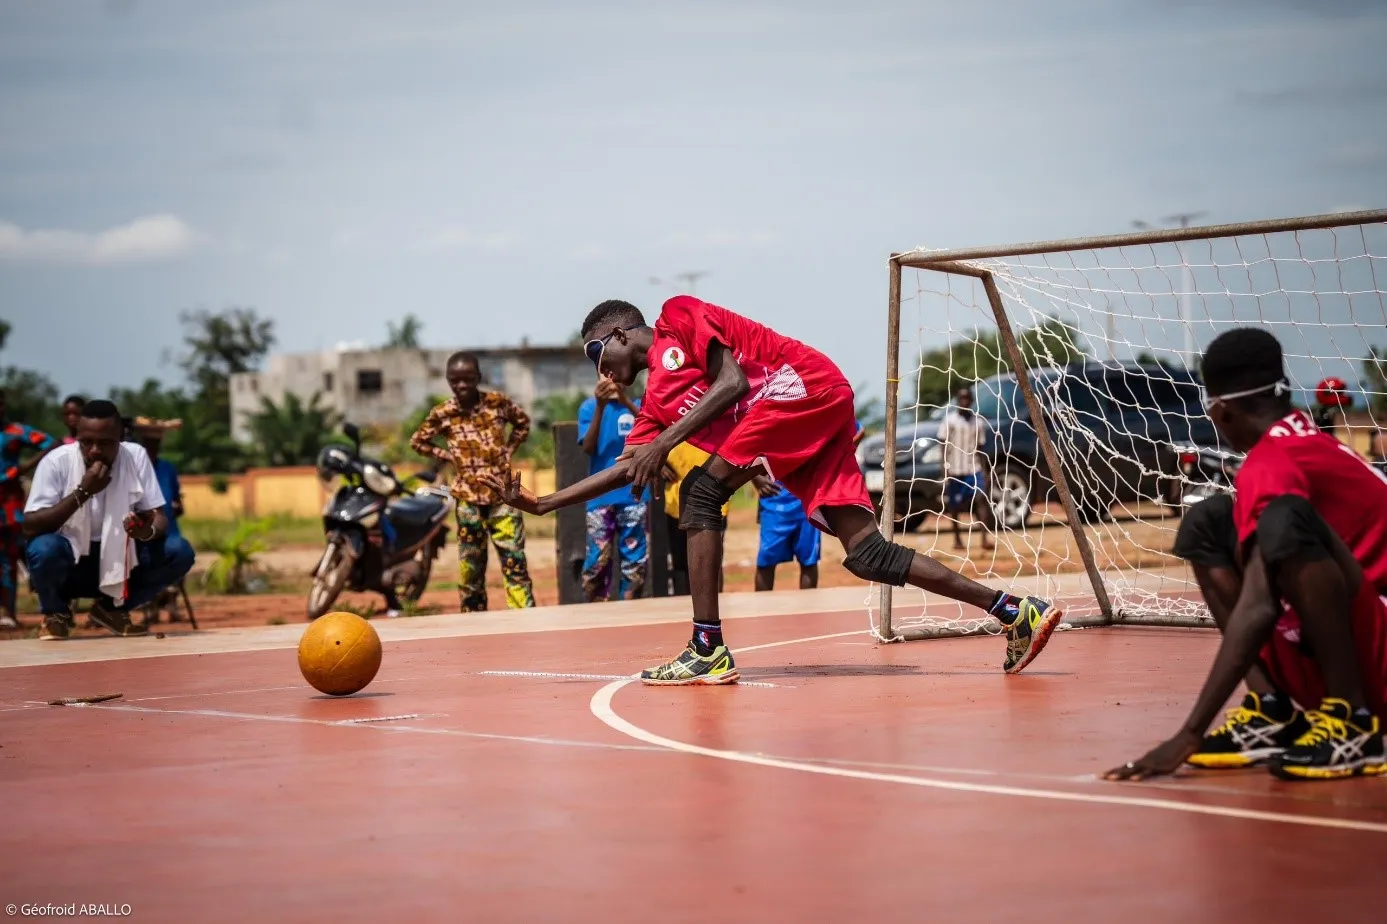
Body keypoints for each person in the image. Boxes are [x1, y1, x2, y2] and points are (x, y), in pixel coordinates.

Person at [484, 296, 1063, 684]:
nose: (599, 370)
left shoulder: (676, 316)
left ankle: (707, 648)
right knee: (867, 554)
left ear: (616, 334)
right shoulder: (656, 402)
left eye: (595, 354)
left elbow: (733, 382)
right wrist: (543, 503)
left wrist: (668, 445)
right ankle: (1015, 612)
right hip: (806, 421)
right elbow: (629, 463)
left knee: (701, 496)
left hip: (801, 386)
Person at [1108, 328, 1387, 782]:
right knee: (1210, 521)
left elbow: (1259, 606)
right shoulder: (1306, 438)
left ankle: (1352, 721)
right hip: (1369, 628)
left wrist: (1189, 733)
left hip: (1379, 656)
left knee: (1282, 519)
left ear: (1220, 409)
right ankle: (1272, 708)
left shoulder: (1271, 462)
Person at [23, 400, 196, 640]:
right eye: (86, 442)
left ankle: (111, 609)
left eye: (104, 443)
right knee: (44, 549)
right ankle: (56, 614)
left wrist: (145, 532)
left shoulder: (135, 456)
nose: (94, 450)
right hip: (71, 563)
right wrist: (83, 492)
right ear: (78, 437)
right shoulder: (56, 461)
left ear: (121, 438)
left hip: (122, 563)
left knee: (179, 551)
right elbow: (30, 526)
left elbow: (159, 517)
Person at [411, 352, 535, 613]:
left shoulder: (497, 403)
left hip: (503, 498)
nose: (462, 385)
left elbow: (522, 424)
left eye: (468, 379)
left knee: (514, 562)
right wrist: (446, 455)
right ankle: (473, 621)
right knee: (471, 569)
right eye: (455, 380)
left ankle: (524, 618)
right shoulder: (444, 412)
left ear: (478, 377)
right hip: (468, 500)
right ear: (448, 380)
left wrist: (509, 449)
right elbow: (418, 441)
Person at [577, 378, 647, 601]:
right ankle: (597, 611)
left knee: (635, 564)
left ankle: (630, 611)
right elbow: (589, 447)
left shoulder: (640, 405)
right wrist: (600, 406)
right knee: (597, 562)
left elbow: (652, 432)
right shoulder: (589, 407)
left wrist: (626, 402)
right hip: (600, 497)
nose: (612, 379)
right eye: (606, 373)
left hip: (634, 496)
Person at [0, 388, 58, 629]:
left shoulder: (15, 432)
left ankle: (8, 613)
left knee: (7, 558)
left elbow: (52, 444)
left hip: (8, 503)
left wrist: (23, 468)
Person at [134, 418, 186, 623]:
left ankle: (171, 602)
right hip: (144, 530)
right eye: (149, 444)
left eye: (156, 444)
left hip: (170, 530)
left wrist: (176, 507)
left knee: (180, 553)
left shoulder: (167, 468)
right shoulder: (135, 470)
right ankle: (150, 606)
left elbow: (178, 501)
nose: (152, 448)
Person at [663, 441, 726, 596]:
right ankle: (686, 604)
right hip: (676, 498)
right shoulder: (668, 425)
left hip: (712, 497)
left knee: (711, 559)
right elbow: (647, 441)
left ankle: (714, 603)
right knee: (682, 561)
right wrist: (659, 464)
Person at [937, 386, 994, 551]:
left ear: (971, 401)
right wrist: (944, 467)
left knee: (981, 499)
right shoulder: (949, 420)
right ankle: (957, 539)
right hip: (955, 469)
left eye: (967, 398)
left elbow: (980, 448)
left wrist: (985, 471)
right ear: (957, 400)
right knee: (954, 505)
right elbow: (942, 444)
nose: (964, 401)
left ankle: (984, 538)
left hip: (973, 468)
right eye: (961, 398)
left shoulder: (978, 422)